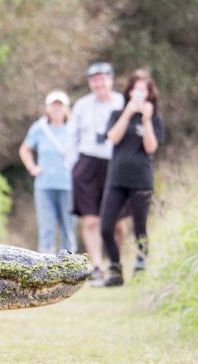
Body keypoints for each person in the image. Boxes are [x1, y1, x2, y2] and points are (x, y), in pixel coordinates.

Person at [100, 70, 163, 287]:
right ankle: (115, 270)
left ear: (149, 94)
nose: (138, 94)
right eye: (135, 89)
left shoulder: (154, 118)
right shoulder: (117, 113)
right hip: (117, 178)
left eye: (142, 90)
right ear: (129, 92)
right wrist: (127, 114)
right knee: (106, 227)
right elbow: (113, 138)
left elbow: (151, 147)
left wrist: (146, 120)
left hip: (141, 180)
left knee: (140, 228)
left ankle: (141, 267)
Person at [69, 62, 129, 282]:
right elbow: (71, 137)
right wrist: (73, 167)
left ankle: (115, 262)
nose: (99, 83)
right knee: (91, 220)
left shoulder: (123, 102)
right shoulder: (82, 105)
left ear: (111, 80)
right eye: (94, 79)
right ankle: (96, 265)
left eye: (103, 78)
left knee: (118, 222)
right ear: (90, 83)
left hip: (116, 164)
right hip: (88, 163)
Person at [18, 90, 77, 254]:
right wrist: (32, 167)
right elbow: (25, 149)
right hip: (45, 186)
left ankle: (69, 268)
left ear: (66, 108)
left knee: (68, 229)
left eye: (60, 105)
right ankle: (46, 268)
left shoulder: (74, 128)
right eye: (54, 105)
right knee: (46, 229)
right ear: (47, 108)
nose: (57, 108)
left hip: (69, 185)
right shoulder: (40, 128)